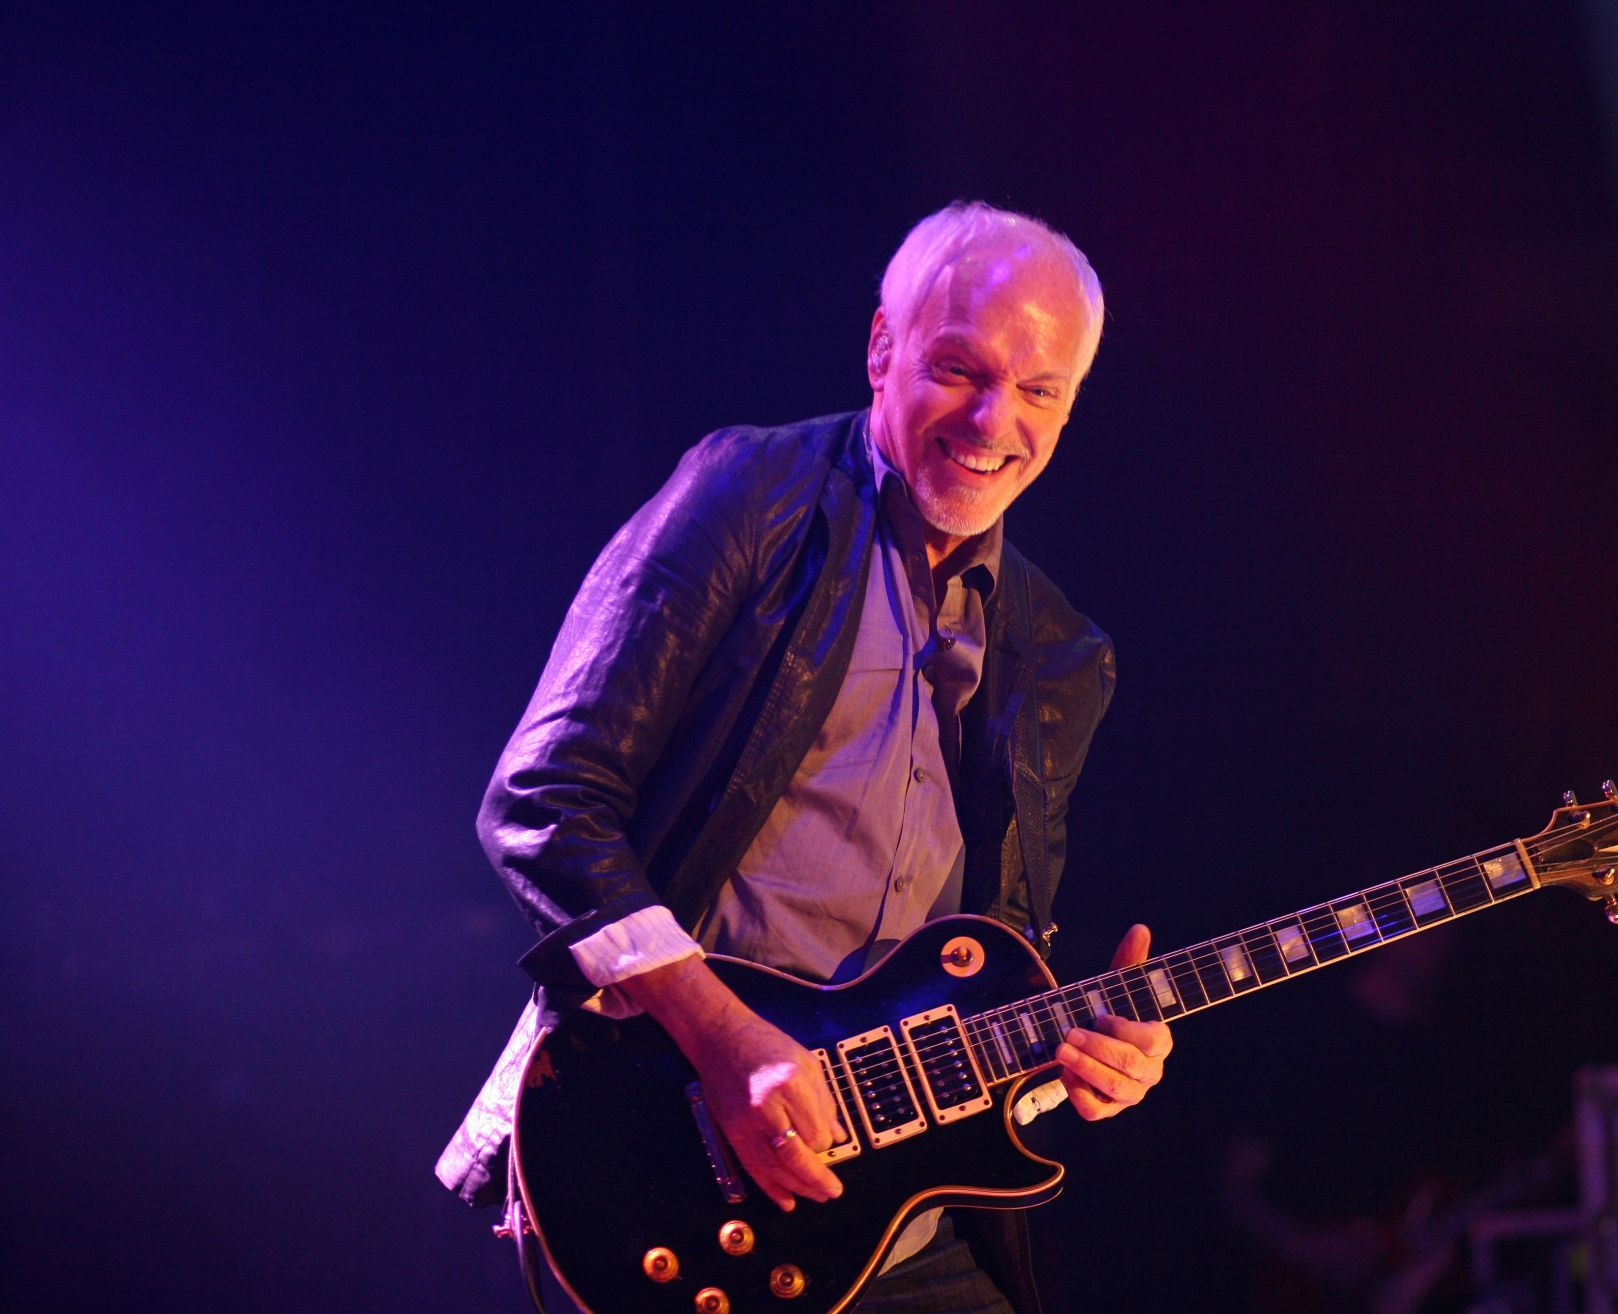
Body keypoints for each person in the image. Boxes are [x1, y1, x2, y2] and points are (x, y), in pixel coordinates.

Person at [437, 201, 1173, 1314]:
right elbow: (545, 803)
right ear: (882, 346)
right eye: (958, 368)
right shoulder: (749, 497)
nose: (992, 420)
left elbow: (978, 965)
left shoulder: (1060, 650)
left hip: (910, 1216)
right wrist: (725, 1036)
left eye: (1039, 392)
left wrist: (1074, 1071)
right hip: (668, 1169)